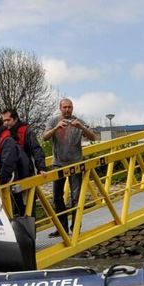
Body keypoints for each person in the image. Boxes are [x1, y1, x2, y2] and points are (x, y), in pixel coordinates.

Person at [44, 98, 98, 234]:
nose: (67, 110)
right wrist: (56, 128)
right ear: (60, 108)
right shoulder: (53, 121)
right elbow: (44, 137)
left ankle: (75, 227)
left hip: (76, 164)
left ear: (72, 108)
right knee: (57, 196)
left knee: (76, 197)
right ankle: (61, 227)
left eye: (69, 107)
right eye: (65, 107)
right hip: (58, 164)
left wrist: (81, 127)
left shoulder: (78, 121)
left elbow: (93, 137)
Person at [0, 107, 47, 216]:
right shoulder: (3, 134)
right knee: (15, 210)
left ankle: (29, 231)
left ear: (15, 119)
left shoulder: (26, 132)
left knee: (28, 208)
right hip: (12, 177)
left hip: (25, 174)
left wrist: (41, 167)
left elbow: (36, 149)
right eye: (4, 121)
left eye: (8, 120)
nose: (5, 123)